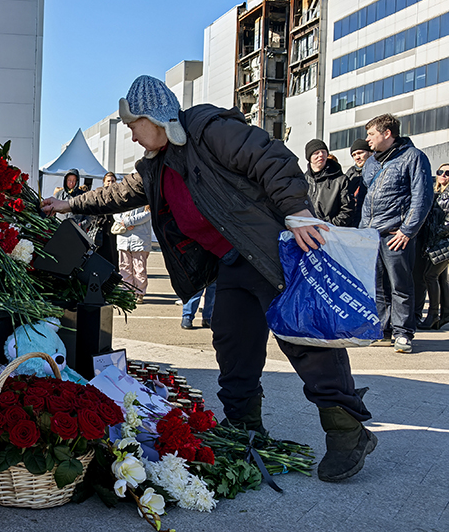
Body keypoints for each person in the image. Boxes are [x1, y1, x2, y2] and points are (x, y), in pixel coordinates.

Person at [41, 75, 374, 482]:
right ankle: (246, 429)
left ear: (154, 116)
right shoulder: (155, 164)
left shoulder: (209, 129)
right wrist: (66, 204)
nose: (130, 136)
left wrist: (297, 209)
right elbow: (117, 195)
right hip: (231, 263)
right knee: (233, 345)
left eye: (132, 126)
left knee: (305, 342)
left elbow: (270, 158)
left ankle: (347, 432)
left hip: (269, 253)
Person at [359, 114, 432, 354]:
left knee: (400, 284)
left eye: (371, 134)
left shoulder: (413, 157)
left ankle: (403, 333)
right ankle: (384, 330)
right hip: (372, 234)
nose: (367, 139)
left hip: (395, 234)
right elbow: (369, 198)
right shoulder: (372, 162)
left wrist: (407, 230)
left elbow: (422, 197)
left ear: (387, 133)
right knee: (377, 286)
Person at [419, 163, 449, 329]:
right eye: (440, 172)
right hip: (436, 242)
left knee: (430, 276)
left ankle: (433, 315)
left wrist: (436, 232)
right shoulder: (436, 193)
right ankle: (445, 314)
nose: (443, 175)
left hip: (443, 241)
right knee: (441, 277)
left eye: (447, 172)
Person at [304, 139, 353, 226]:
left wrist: (328, 225)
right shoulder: (303, 180)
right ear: (309, 157)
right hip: (306, 230)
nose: (321, 155)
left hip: (331, 232)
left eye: (323, 152)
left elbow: (347, 210)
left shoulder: (340, 180)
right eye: (316, 153)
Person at [113, 205, 153, 304]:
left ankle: (139, 293)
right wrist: (124, 222)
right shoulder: (122, 198)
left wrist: (129, 222)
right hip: (123, 238)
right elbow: (115, 212)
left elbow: (148, 214)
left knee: (139, 268)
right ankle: (127, 292)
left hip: (140, 238)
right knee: (124, 267)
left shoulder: (146, 198)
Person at [95, 173, 120, 268]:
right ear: (104, 182)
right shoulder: (99, 194)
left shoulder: (118, 194)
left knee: (113, 252)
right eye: (108, 181)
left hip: (114, 228)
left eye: (113, 181)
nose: (110, 183)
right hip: (101, 228)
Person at [346, 138, 372, 227]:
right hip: (354, 220)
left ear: (370, 152)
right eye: (354, 154)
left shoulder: (377, 170)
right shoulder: (350, 173)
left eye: (360, 153)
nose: (357, 157)